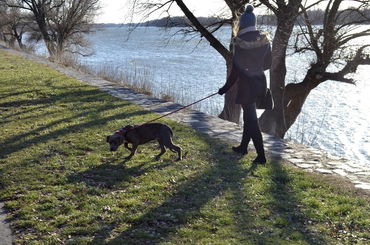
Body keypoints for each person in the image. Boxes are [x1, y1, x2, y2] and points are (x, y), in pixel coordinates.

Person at [218, 4, 272, 164]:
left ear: (241, 24)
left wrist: (224, 89)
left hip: (247, 88)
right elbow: (268, 65)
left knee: (252, 121)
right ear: (254, 23)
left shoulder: (240, 43)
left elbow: (235, 71)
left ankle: (261, 157)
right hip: (261, 84)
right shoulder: (264, 40)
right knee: (249, 118)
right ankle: (243, 147)